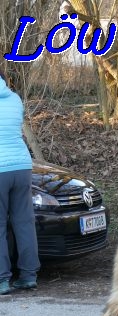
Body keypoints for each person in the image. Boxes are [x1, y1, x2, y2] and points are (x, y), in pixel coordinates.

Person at [0, 71, 40, 295]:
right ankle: (28, 276)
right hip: (22, 166)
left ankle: (2, 280)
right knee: (24, 222)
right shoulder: (15, 99)